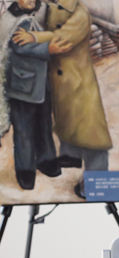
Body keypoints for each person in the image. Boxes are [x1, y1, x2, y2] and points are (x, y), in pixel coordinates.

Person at [12, 0, 111, 199]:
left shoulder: (79, 13)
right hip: (55, 82)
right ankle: (70, 156)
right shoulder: (47, 7)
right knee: (65, 121)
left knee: (91, 130)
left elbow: (63, 37)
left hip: (78, 80)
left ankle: (97, 178)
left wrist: (34, 37)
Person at [0, 0, 62, 190]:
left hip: (41, 82)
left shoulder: (41, 12)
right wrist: (48, 49)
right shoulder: (11, 18)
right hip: (21, 86)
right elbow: (19, 46)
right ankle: (25, 171)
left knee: (44, 124)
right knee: (24, 131)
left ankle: (46, 160)